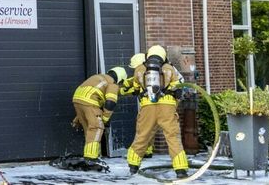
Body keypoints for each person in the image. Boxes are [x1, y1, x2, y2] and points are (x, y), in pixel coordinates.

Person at [127, 45, 188, 177]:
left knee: (142, 135)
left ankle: (133, 166)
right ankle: (181, 169)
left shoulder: (139, 69)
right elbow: (178, 89)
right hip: (167, 107)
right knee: (172, 137)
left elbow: (136, 89)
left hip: (147, 107)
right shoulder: (169, 68)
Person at [71, 66, 127, 163]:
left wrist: (77, 118)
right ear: (120, 79)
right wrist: (104, 119)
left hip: (77, 99)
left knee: (89, 129)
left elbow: (87, 101)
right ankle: (91, 158)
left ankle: (95, 153)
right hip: (90, 101)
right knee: (97, 128)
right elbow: (110, 102)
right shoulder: (112, 84)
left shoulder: (99, 77)